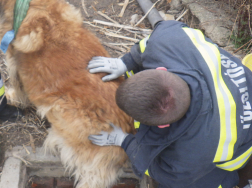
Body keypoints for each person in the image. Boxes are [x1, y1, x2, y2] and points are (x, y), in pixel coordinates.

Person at [88, 20, 252, 188]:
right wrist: (126, 62)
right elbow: (149, 44)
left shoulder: (192, 153)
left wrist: (124, 141)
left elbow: (165, 173)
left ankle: (227, 180)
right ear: (162, 70)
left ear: (164, 125)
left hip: (240, 149)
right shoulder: (170, 40)